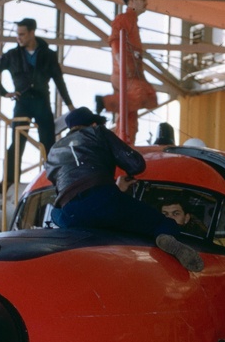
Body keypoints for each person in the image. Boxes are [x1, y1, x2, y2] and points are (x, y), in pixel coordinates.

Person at [44, 107, 204, 272]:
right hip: (104, 199)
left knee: (58, 214)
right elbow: (136, 164)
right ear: (92, 123)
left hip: (71, 213)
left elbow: (59, 186)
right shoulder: (98, 132)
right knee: (159, 222)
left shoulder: (53, 151)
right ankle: (166, 238)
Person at [0, 18, 75, 185]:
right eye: (17, 34)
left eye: (22, 34)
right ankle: (10, 183)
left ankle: (53, 180)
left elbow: (58, 80)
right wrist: (4, 92)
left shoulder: (48, 55)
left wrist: (69, 104)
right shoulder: (12, 55)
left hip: (42, 101)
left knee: (48, 142)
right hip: (22, 102)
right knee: (17, 143)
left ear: (32, 33)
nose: (18, 38)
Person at [96, 0, 159, 143]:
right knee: (146, 94)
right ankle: (104, 102)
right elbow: (115, 41)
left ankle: (125, 144)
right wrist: (122, 64)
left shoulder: (132, 21)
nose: (146, 3)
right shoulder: (123, 18)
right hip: (125, 73)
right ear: (131, 0)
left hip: (131, 73)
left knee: (129, 118)